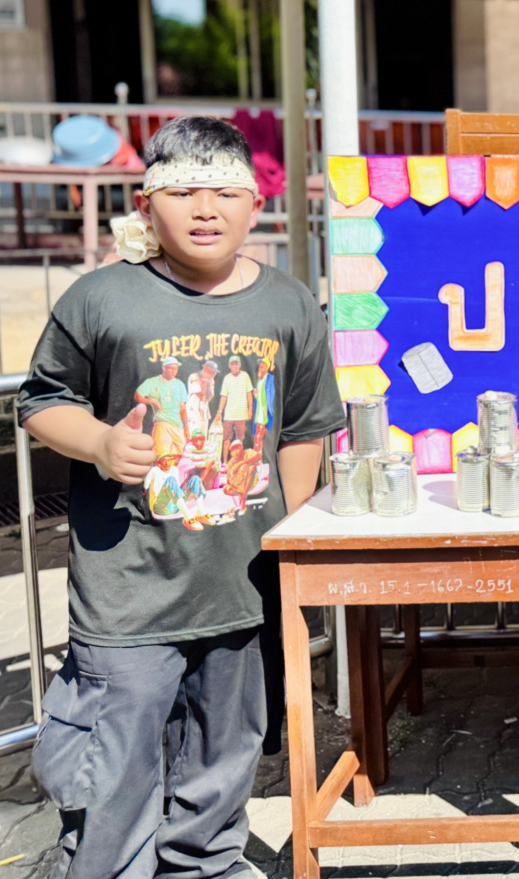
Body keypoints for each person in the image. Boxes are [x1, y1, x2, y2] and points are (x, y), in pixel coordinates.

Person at [20, 116, 344, 879]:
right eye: (184, 191)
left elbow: (305, 428)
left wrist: (287, 540)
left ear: (256, 203)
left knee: (224, 760)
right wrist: (100, 442)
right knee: (112, 769)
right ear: (144, 204)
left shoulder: (290, 304)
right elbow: (40, 401)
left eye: (225, 192)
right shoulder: (101, 298)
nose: (206, 209)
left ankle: (208, 865)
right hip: (128, 597)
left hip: (242, 590)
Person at [219, 353, 254, 449]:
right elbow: (224, 396)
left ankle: (239, 458)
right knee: (226, 440)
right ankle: (225, 459)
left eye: (236, 363)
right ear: (229, 366)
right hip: (229, 415)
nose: (234, 366)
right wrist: (219, 411)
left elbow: (249, 393)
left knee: (240, 440)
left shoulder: (245, 376)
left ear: (240, 365)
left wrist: (250, 410)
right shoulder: (227, 378)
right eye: (232, 364)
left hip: (241, 414)